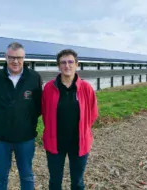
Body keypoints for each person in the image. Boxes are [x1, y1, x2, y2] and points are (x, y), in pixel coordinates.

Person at [0, 42, 43, 190]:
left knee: (27, 175)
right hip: (1, 138)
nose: (15, 61)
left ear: (24, 58)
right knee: (0, 176)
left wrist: (26, 121)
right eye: (11, 57)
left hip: (25, 138)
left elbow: (38, 106)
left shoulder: (34, 78)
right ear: (5, 57)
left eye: (19, 57)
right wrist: (2, 118)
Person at [41, 49, 98, 190]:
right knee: (55, 182)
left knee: (77, 182)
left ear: (76, 64)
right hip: (55, 143)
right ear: (59, 66)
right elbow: (44, 112)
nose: (67, 65)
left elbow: (93, 113)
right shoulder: (49, 88)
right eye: (63, 62)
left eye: (71, 62)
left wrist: (83, 129)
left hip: (79, 143)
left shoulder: (86, 88)